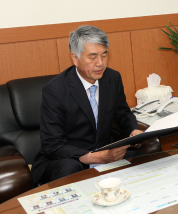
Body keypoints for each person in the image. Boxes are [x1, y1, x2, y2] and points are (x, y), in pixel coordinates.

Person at [31, 26, 143, 185]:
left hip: (105, 152)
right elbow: (52, 145)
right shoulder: (55, 90)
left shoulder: (112, 78)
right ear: (75, 58)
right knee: (70, 168)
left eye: (104, 55)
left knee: (148, 160)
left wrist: (133, 130)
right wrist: (93, 157)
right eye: (93, 57)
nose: (100, 63)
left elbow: (123, 114)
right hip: (69, 158)